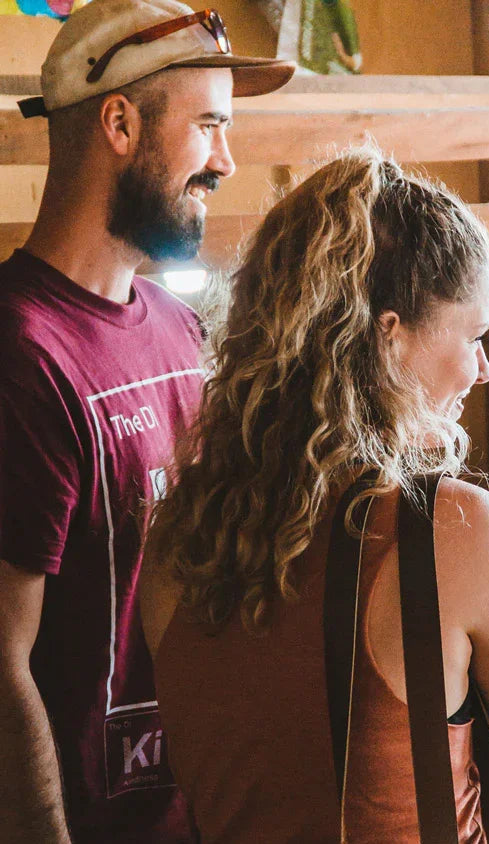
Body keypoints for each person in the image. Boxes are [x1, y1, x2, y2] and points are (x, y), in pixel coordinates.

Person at [139, 146, 489, 843]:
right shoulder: (449, 528)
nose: (484, 369)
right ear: (390, 339)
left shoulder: (179, 535)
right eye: (475, 334)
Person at [0, 1, 294, 841]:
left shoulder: (178, 326)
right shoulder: (22, 355)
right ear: (120, 123)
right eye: (208, 125)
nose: (227, 161)